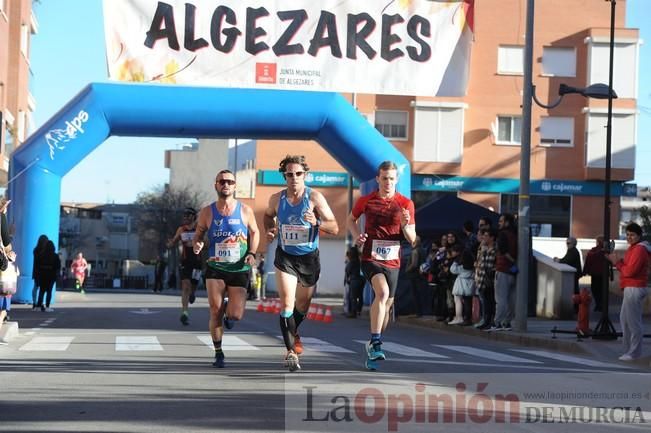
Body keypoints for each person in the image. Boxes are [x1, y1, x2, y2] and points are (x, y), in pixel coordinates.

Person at [263, 155, 338, 372]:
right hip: (285, 256)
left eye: (298, 174)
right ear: (284, 176)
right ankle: (290, 352)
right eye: (289, 174)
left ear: (305, 175)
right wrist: (269, 228)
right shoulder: (276, 200)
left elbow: (334, 227)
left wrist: (318, 222)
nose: (294, 178)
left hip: (309, 259)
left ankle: (294, 332)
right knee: (286, 304)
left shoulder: (315, 198)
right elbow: (268, 216)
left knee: (302, 305)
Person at [347, 160, 417, 370]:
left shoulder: (405, 204)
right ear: (378, 179)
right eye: (384, 178)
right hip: (371, 257)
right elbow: (350, 219)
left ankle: (372, 345)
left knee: (386, 307)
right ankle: (376, 342)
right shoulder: (366, 200)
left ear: (397, 180)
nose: (387, 182)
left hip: (393, 260)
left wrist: (405, 225)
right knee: (383, 293)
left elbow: (412, 238)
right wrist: (357, 236)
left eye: (391, 179)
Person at [193, 170, 260, 368]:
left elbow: (255, 232)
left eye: (230, 181)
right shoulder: (207, 212)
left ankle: (229, 311)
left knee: (235, 315)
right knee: (215, 310)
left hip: (239, 268)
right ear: (216, 185)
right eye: (222, 181)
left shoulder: (245, 210)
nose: (226, 184)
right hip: (215, 267)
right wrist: (198, 244)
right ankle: (219, 353)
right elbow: (198, 234)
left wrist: (252, 252)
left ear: (234, 186)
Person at [606, 223, 650, 361]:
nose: (629, 237)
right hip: (631, 287)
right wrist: (617, 261)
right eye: (628, 234)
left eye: (632, 235)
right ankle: (628, 351)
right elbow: (627, 268)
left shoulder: (639, 250)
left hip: (634, 287)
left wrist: (616, 262)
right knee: (625, 320)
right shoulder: (634, 249)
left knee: (633, 322)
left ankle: (633, 353)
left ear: (639, 236)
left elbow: (630, 271)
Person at [168, 207, 202, 325]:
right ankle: (184, 313)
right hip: (185, 261)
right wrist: (170, 243)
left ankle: (193, 293)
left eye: (188, 215)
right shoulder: (181, 229)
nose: (185, 218)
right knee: (185, 286)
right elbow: (174, 241)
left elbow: (207, 242)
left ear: (193, 216)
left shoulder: (199, 228)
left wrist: (199, 244)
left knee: (193, 285)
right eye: (184, 215)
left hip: (197, 261)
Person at [492, 212, 517, 331]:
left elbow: (502, 250)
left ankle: (498, 322)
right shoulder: (516, 233)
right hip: (512, 271)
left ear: (507, 222)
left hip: (503, 269)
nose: (499, 223)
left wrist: (511, 260)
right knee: (511, 298)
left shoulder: (503, 234)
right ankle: (507, 322)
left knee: (501, 298)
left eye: (501, 221)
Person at [583, 235, 607, 312]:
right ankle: (601, 305)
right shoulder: (606, 251)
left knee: (595, 290)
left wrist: (584, 272)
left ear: (598, 242)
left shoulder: (593, 251)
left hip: (594, 273)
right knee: (602, 290)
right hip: (604, 274)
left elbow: (588, 261)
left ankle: (598, 304)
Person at [37, 240, 60, 312]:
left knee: (41, 291)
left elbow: (38, 266)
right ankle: (47, 306)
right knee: (49, 291)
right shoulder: (55, 256)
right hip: (51, 276)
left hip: (42, 275)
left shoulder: (41, 255)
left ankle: (38, 306)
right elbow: (58, 266)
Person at [345, 246, 365, 318]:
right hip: (362, 280)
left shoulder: (352, 262)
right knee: (360, 295)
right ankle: (359, 310)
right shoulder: (360, 262)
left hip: (354, 280)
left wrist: (347, 279)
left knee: (353, 296)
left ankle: (353, 312)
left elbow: (348, 271)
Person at [32, 235, 49, 310]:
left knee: (36, 288)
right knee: (42, 289)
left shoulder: (35, 250)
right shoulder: (44, 251)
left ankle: (35, 303)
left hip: (36, 271)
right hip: (43, 272)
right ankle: (40, 303)